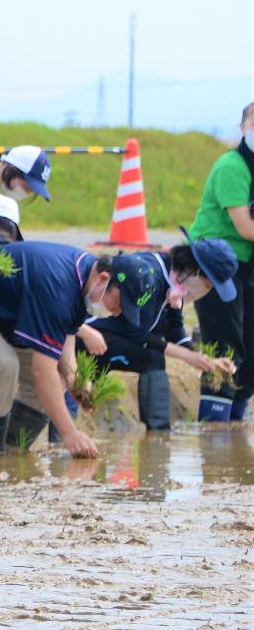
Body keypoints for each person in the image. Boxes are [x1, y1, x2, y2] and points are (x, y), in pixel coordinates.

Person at [0, 240, 118, 457]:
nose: (114, 313)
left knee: (58, 379)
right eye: (115, 305)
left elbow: (67, 331)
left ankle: (11, 449)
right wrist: (69, 433)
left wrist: (72, 376)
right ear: (103, 279)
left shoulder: (86, 277)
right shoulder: (59, 284)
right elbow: (42, 371)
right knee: (3, 366)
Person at [88, 242, 240, 430]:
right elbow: (138, 335)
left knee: (154, 359)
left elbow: (175, 330)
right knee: (153, 359)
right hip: (90, 337)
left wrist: (206, 360)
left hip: (111, 341)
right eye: (208, 286)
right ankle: (158, 437)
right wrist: (187, 356)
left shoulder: (176, 284)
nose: (206, 293)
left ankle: (158, 438)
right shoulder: (150, 277)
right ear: (193, 271)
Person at [186, 103, 254, 420]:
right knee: (224, 344)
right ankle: (214, 426)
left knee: (250, 349)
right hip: (213, 262)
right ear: (243, 127)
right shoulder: (233, 166)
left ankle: (234, 420)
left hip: (245, 264)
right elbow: (245, 227)